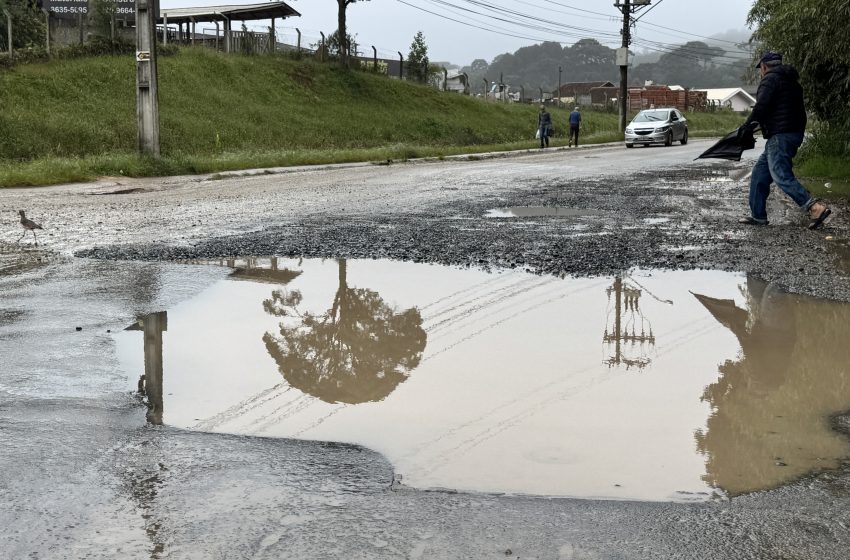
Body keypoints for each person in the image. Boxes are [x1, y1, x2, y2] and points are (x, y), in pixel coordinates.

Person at [738, 52, 832, 229]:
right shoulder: (792, 83)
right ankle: (758, 216)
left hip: (780, 135)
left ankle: (815, 207)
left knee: (780, 174)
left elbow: (762, 106)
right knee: (759, 174)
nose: (761, 72)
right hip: (791, 133)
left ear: (764, 66)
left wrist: (747, 127)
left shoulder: (770, 79)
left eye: (761, 69)